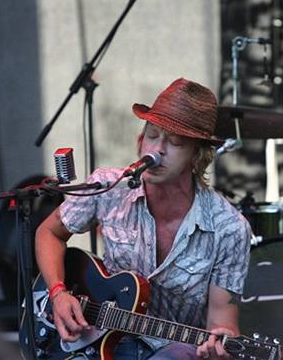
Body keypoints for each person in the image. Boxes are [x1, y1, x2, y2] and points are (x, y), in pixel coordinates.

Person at [35, 78, 252, 359]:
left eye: (175, 142)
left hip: (173, 349)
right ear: (140, 140)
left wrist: (220, 347)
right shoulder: (107, 187)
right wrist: (59, 293)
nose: (157, 149)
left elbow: (221, 326)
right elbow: (49, 233)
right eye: (152, 135)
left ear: (198, 156)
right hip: (94, 340)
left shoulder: (230, 228)